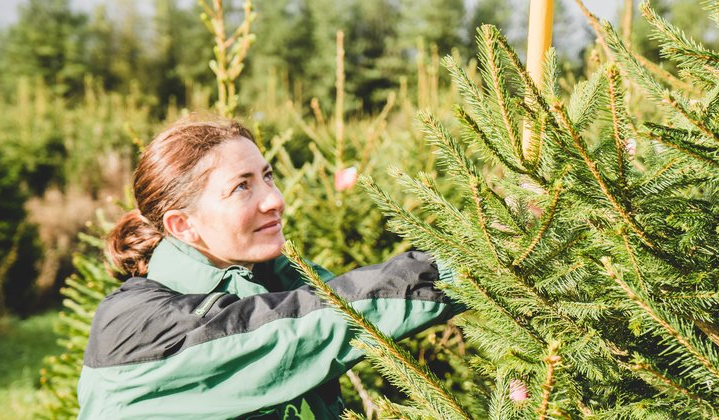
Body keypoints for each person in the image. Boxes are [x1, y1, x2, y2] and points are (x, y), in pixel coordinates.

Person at [77, 117, 461, 419]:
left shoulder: (270, 275)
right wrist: (466, 263)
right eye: (241, 187)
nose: (274, 199)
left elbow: (340, 294)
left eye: (267, 176)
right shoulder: (134, 327)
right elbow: (322, 318)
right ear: (183, 225)